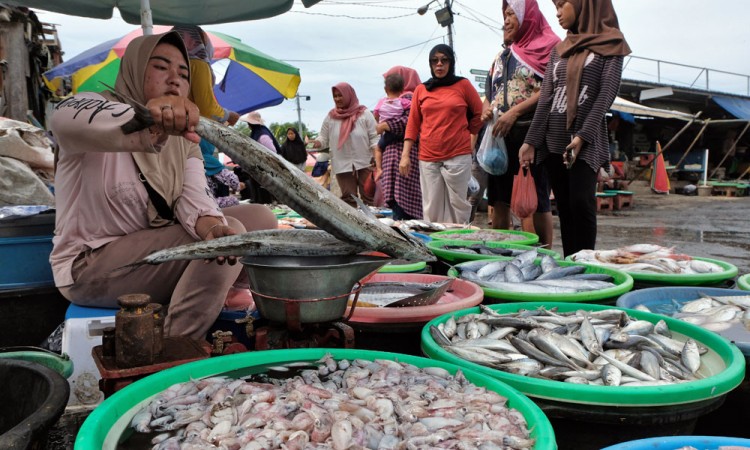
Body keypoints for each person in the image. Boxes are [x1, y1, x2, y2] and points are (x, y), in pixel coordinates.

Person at [48, 31, 278, 340]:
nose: (175, 80)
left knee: (259, 219)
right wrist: (150, 119)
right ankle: (176, 344)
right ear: (134, 68)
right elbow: (64, 120)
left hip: (152, 249)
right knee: (232, 233)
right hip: (89, 268)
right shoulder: (88, 108)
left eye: (183, 73)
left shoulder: (185, 141)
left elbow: (194, 199)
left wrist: (211, 227)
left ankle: (224, 296)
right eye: (160, 67)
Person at [519, 0, 631, 256]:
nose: (557, 13)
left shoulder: (611, 43)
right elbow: (546, 97)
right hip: (553, 139)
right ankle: (570, 263)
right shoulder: (560, 50)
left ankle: (586, 263)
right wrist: (531, 141)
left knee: (582, 203)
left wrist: (583, 135)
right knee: (566, 207)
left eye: (562, 5)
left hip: (586, 140)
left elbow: (606, 95)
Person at [482, 0, 560, 248]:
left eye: (511, 14)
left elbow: (552, 88)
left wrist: (515, 112)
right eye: (504, 14)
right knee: (499, 198)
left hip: (531, 134)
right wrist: (486, 109)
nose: (505, 20)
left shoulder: (549, 47)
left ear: (528, 17)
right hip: (500, 138)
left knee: (536, 197)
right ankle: (501, 252)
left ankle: (544, 253)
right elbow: (489, 92)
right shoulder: (502, 56)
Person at [401, 44, 484, 224]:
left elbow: (479, 113)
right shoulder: (422, 90)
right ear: (430, 64)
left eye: (444, 60)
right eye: (435, 61)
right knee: (432, 206)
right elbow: (413, 123)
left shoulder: (463, 85)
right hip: (428, 157)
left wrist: (469, 136)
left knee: (458, 204)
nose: (439, 65)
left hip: (458, 155)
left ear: (451, 62)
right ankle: (437, 247)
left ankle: (458, 245)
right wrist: (405, 155)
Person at [171, 25, 242, 208]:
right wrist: (228, 115)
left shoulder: (176, 65)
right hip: (196, 135)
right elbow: (206, 107)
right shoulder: (198, 64)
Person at [311, 82, 378, 207]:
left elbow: (375, 137)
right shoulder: (331, 117)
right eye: (335, 96)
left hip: (365, 162)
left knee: (370, 198)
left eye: (340, 95)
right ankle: (353, 225)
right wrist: (316, 143)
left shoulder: (364, 114)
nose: (337, 99)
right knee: (349, 200)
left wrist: (377, 158)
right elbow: (323, 138)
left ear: (349, 95)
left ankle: (375, 225)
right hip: (342, 164)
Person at [374, 66, 423, 220]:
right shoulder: (393, 101)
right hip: (392, 155)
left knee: (405, 195)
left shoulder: (411, 98)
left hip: (405, 153)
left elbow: (411, 122)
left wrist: (386, 125)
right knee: (397, 196)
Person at [240, 111, 281, 204]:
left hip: (265, 169)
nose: (248, 125)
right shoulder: (256, 134)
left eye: (248, 123)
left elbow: (272, 152)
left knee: (264, 194)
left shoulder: (262, 136)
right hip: (259, 168)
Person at [373, 73, 410, 161]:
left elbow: (376, 113)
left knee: (378, 149)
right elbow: (413, 108)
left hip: (387, 134)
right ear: (402, 90)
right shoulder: (403, 101)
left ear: (385, 89)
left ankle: (378, 169)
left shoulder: (381, 102)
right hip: (401, 136)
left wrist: (380, 123)